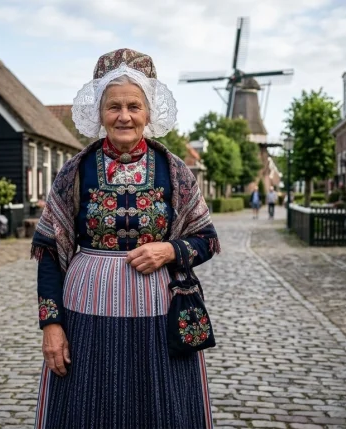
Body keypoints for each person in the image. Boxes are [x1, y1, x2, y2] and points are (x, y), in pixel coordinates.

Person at [31, 48, 220, 429]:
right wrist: (51, 326)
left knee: (160, 408)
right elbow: (49, 250)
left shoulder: (174, 170)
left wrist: (169, 249)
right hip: (86, 313)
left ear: (149, 112)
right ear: (99, 113)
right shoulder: (76, 171)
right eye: (113, 106)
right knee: (88, 407)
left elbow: (206, 238)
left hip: (158, 315)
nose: (124, 116)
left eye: (134, 106)